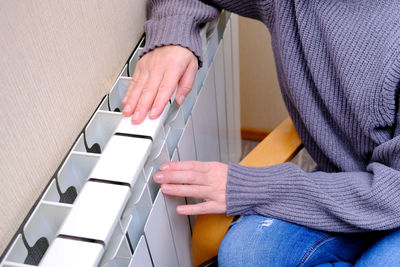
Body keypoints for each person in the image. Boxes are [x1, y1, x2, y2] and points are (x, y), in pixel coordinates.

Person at [122, 0, 400, 266]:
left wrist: (256, 187)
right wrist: (174, 33)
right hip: (344, 184)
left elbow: (393, 193)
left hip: (391, 198)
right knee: (244, 254)